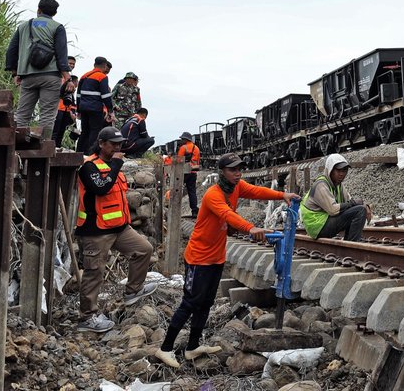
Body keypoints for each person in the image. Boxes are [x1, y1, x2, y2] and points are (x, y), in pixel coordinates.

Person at [152, 152, 300, 368]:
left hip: (215, 257)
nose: (238, 173)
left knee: (206, 303)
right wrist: (251, 227)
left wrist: (282, 195)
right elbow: (227, 215)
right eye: (233, 169)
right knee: (191, 302)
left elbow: (256, 191)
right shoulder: (213, 194)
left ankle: (192, 347)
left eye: (240, 169)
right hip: (198, 258)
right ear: (222, 171)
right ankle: (164, 349)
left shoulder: (236, 187)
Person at [75, 126, 157, 333]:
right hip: (96, 230)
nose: (118, 148)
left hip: (119, 228)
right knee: (95, 273)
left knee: (144, 249)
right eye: (114, 144)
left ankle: (133, 290)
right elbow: (101, 188)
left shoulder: (113, 165)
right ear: (102, 144)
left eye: (120, 144)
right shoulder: (89, 166)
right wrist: (117, 164)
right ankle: (87, 317)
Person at [5, 0, 70, 141]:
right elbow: (61, 53)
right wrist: (67, 76)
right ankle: (43, 146)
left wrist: (15, 72)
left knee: (22, 114)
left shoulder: (23, 26)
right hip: (50, 76)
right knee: (47, 115)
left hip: (27, 76)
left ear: (38, 10)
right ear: (54, 13)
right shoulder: (57, 27)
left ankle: (18, 144)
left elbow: (12, 50)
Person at [301, 153, 370, 241]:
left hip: (324, 222)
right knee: (359, 211)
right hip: (317, 226)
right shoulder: (321, 185)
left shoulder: (338, 185)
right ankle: (352, 245)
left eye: (344, 171)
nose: (342, 174)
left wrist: (365, 205)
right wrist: (356, 204)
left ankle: (349, 243)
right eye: (338, 170)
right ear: (330, 170)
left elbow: (351, 202)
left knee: (358, 209)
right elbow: (333, 210)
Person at [77, 57, 115, 155]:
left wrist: (78, 110)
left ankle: (79, 154)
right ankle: (91, 154)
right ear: (105, 65)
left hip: (83, 108)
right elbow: (106, 95)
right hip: (95, 108)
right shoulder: (102, 76)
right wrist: (110, 110)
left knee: (84, 132)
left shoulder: (84, 76)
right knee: (95, 132)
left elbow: (78, 95)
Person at [53, 55, 79, 147]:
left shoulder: (70, 79)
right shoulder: (58, 76)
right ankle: (51, 150)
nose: (72, 65)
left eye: (73, 64)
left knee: (61, 131)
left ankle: (58, 149)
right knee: (55, 132)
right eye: (70, 63)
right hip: (57, 107)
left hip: (66, 109)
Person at [176, 131, 202, 216]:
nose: (181, 140)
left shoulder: (183, 148)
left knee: (177, 190)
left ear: (185, 139)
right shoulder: (196, 148)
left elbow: (178, 161)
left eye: (182, 139)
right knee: (192, 191)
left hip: (184, 172)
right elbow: (197, 161)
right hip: (193, 172)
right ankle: (194, 211)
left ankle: (175, 210)